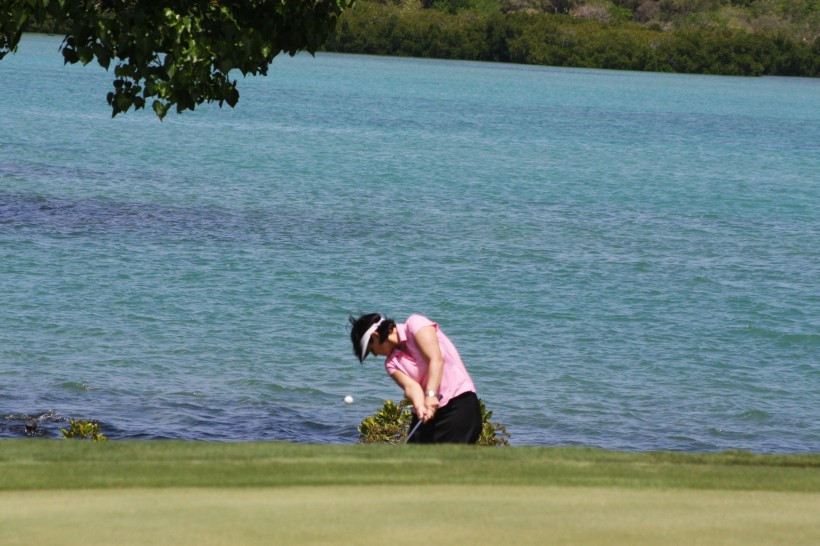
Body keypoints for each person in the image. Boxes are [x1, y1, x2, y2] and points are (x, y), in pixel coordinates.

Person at [349, 312, 481, 444]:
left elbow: (435, 359)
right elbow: (411, 387)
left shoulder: (415, 324)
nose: (376, 355)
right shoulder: (391, 363)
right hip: (428, 414)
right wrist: (419, 407)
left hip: (458, 405)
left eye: (372, 350)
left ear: (376, 336)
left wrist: (431, 394)